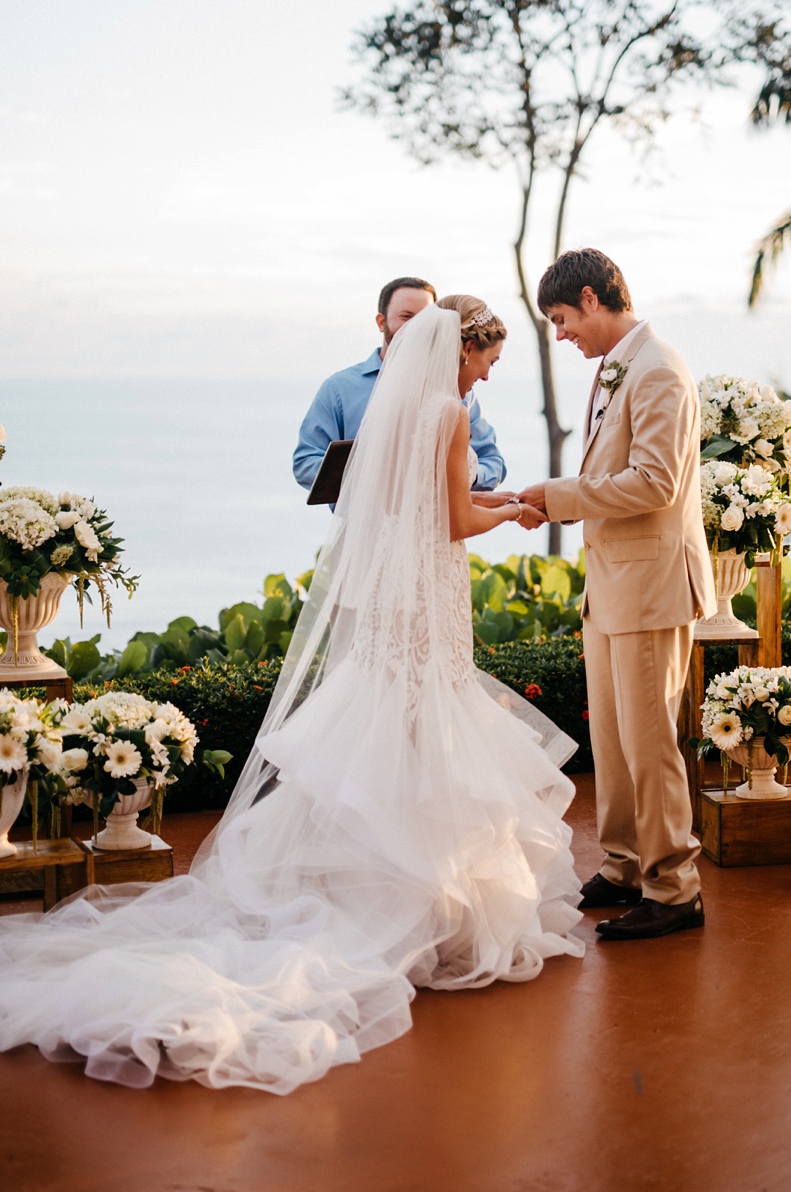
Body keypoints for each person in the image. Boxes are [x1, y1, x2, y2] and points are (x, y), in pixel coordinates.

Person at [0, 299, 583, 1093]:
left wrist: (505, 504)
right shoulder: (450, 410)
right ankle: (427, 909)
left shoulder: (403, 408)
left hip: (398, 598)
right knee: (426, 729)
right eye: (490, 358)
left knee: (389, 726)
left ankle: (387, 888)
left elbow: (412, 510)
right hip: (430, 598)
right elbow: (449, 520)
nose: (490, 371)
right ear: (467, 349)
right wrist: (513, 508)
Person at [518, 249, 716, 942]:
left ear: (595, 298)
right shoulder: (615, 366)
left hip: (651, 586)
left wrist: (560, 497)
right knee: (615, 738)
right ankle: (625, 864)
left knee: (650, 742)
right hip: (613, 587)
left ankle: (673, 887)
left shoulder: (658, 369)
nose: (561, 334)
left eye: (563, 319)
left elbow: (656, 482)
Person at [293, 276, 507, 493]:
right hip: (363, 524)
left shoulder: (458, 391)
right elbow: (305, 463)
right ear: (381, 322)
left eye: (425, 318)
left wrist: (461, 475)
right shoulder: (338, 389)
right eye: (406, 317)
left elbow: (492, 461)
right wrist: (371, 474)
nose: (417, 327)